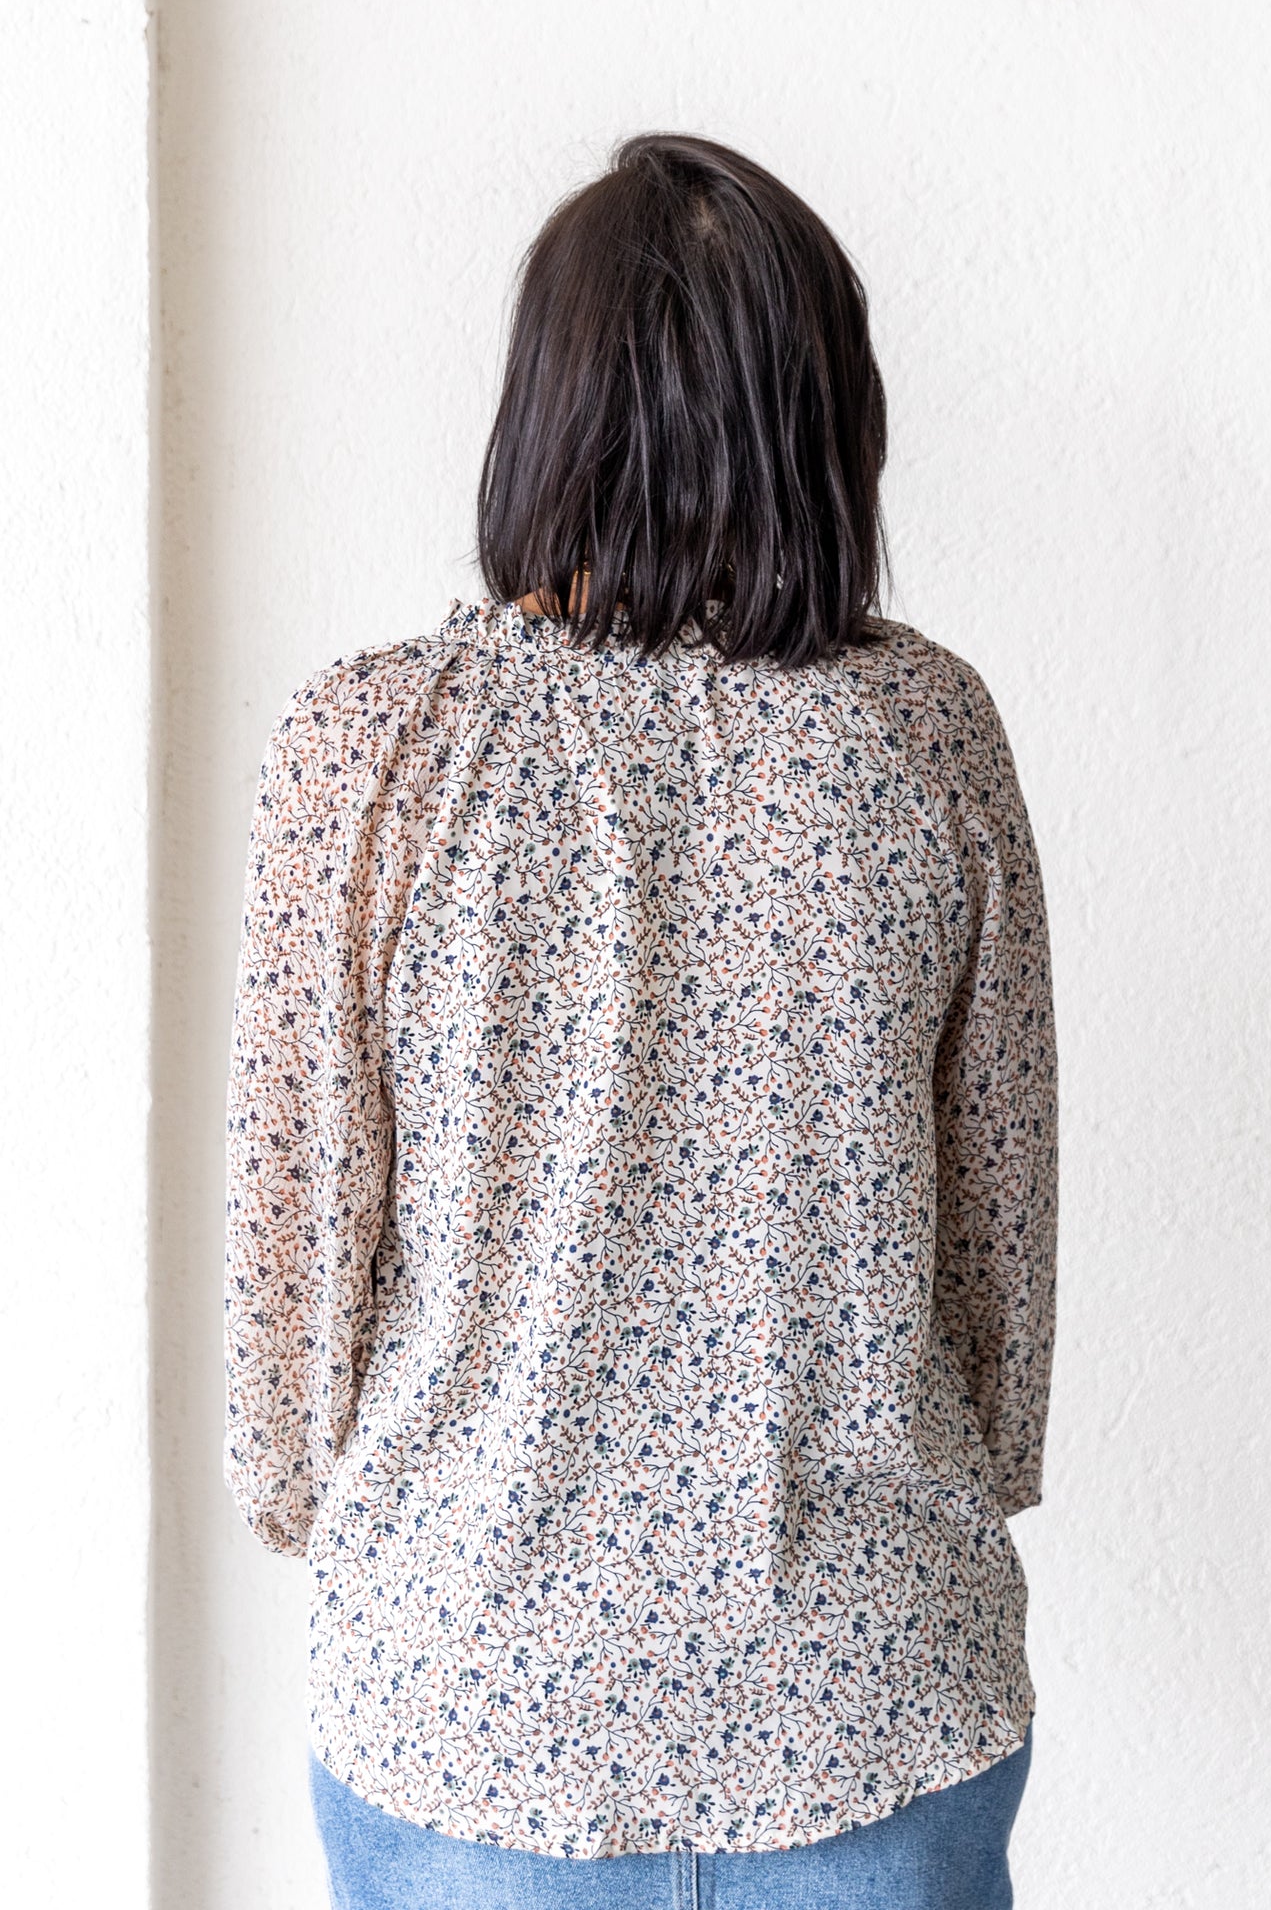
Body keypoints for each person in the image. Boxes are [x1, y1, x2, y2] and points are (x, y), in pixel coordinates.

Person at [224, 132, 1058, 1910]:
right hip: (865, 1686)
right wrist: (951, 1480)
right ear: (825, 414)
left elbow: (298, 1246)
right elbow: (998, 1233)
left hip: (470, 1700)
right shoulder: (925, 736)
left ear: (544, 410)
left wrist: (321, 1501)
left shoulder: (372, 748)